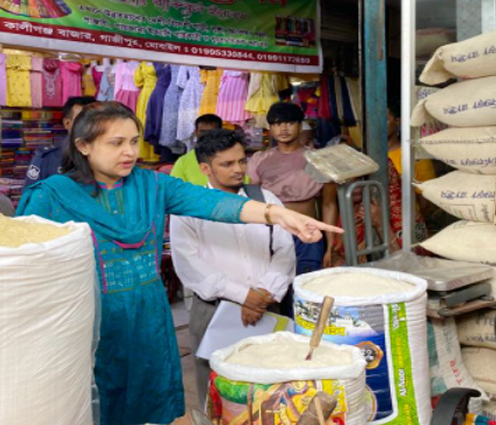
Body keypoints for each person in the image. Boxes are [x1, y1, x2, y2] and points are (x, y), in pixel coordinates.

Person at [16, 101, 339, 425]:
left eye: (133, 141)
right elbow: (25, 267)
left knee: (149, 398)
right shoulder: (52, 195)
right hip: (88, 319)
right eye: (116, 143)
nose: (129, 151)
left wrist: (278, 215)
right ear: (83, 145)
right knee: (90, 401)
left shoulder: (152, 185)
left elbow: (213, 203)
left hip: (148, 316)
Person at [171, 129, 295, 408]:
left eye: (241, 161)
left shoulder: (266, 200)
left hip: (267, 304)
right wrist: (243, 295)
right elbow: (189, 264)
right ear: (205, 168)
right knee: (217, 386)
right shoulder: (187, 208)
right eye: (227, 164)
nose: (238, 169)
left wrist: (264, 293)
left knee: (268, 384)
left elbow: (284, 250)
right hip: (214, 308)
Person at [246, 102, 338, 315]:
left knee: (307, 290)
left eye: (289, 123)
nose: (283, 129)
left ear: (300, 125)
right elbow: (253, 202)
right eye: (277, 124)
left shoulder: (318, 159)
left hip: (307, 234)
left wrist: (330, 245)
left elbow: (329, 203)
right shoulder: (260, 160)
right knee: (273, 290)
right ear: (270, 128)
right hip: (271, 234)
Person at [330, 102, 433, 265]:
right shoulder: (361, 159)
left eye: (383, 119)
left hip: (402, 225)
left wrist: (390, 219)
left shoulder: (414, 156)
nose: (376, 125)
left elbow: (426, 203)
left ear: (398, 121)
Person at [23, 96, 96, 190]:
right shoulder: (47, 158)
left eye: (94, 121)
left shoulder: (106, 155)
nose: (89, 126)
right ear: (67, 124)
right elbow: (31, 197)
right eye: (82, 121)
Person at [170, 114, 252, 187]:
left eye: (212, 132)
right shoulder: (183, 161)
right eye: (203, 132)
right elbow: (175, 189)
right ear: (196, 133)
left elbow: (246, 184)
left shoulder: (236, 157)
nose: (207, 136)